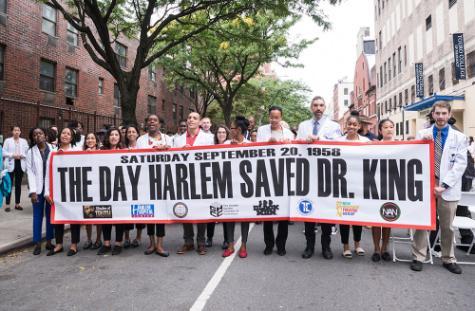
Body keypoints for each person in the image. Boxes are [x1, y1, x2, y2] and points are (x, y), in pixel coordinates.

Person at [411, 101, 468, 274]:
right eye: (438, 113)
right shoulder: (423, 133)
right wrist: (421, 142)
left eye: (444, 113)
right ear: (433, 114)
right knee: (422, 223)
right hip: (426, 185)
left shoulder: (459, 137)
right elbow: (412, 156)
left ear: (449, 115)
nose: (441, 117)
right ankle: (419, 256)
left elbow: (460, 164)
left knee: (447, 226)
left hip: (447, 187)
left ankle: (448, 258)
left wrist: (444, 185)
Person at [296, 96, 341, 260]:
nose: (318, 108)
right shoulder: (303, 126)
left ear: (325, 107)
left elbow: (339, 146)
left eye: (321, 105)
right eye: (315, 105)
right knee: (308, 211)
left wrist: (319, 140)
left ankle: (326, 246)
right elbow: (296, 146)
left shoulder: (334, 126)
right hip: (308, 174)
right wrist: (304, 141)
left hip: (327, 174)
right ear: (311, 107)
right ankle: (309, 246)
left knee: (326, 213)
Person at [174, 112, 214, 255]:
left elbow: (212, 157)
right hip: (184, 180)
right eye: (189, 117)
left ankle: (201, 242)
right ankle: (188, 241)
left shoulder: (209, 138)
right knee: (185, 209)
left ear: (199, 122)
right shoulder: (178, 140)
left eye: (194, 118)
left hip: (201, 179)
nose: (191, 120)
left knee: (201, 210)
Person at [257, 106, 295, 256]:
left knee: (283, 215)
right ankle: (268, 244)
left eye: (276, 117)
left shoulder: (288, 133)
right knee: (268, 212)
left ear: (281, 117)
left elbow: (294, 151)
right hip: (266, 175)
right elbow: (257, 149)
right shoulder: (262, 131)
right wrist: (268, 142)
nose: (274, 120)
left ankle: (281, 244)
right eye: (271, 117)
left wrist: (288, 143)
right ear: (268, 117)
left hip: (284, 176)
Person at [137, 115, 172, 257]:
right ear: (146, 124)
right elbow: (138, 158)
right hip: (146, 181)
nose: (151, 122)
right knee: (149, 213)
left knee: (161, 213)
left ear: (159, 124)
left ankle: (160, 244)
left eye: (155, 120)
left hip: (163, 181)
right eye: (149, 120)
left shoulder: (168, 139)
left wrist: (166, 149)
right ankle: (151, 243)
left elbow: (175, 157)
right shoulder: (141, 140)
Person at [335, 113, 369, 258]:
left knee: (357, 217)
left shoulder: (366, 141)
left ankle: (358, 245)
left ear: (359, 126)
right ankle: (346, 247)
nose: (352, 127)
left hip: (360, 184)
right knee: (344, 216)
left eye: (355, 125)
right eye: (350, 124)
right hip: (342, 184)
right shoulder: (338, 141)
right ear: (345, 125)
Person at [44, 127, 81, 256]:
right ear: (60, 136)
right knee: (58, 217)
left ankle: (74, 245)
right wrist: (47, 192)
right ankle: (59, 244)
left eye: (68, 134)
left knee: (73, 218)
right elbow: (48, 173)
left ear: (71, 137)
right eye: (63, 133)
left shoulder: (77, 151)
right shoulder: (53, 153)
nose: (65, 135)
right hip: (57, 190)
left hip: (73, 190)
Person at [223, 116, 251, 258]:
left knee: (244, 216)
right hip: (229, 186)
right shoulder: (226, 144)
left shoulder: (250, 145)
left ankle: (244, 245)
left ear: (238, 130)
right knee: (230, 215)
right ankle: (230, 245)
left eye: (232, 128)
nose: (230, 130)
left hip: (245, 187)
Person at [96, 128, 125, 256]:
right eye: (111, 135)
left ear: (119, 137)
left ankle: (118, 243)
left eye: (116, 135)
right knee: (105, 214)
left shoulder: (125, 151)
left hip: (120, 188)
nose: (114, 137)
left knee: (119, 216)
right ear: (108, 137)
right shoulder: (101, 151)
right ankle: (106, 243)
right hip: (105, 188)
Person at [26, 127, 54, 255]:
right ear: (32, 138)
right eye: (35, 134)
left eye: (40, 133)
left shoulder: (53, 150)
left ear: (45, 135)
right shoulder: (30, 152)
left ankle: (49, 241)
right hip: (37, 189)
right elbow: (30, 172)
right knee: (37, 216)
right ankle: (37, 243)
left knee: (50, 215)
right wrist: (32, 191)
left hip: (51, 189)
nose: (38, 136)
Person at [371, 119, 395, 262]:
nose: (389, 129)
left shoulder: (403, 145)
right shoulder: (374, 145)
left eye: (391, 127)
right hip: (376, 185)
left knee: (388, 218)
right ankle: (375, 248)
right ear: (380, 131)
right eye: (385, 127)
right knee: (375, 219)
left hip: (392, 186)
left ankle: (385, 248)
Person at [207, 125, 231, 249]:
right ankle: (209, 238)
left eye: (223, 132)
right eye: (219, 132)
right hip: (212, 183)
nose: (221, 134)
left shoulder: (231, 145)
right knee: (212, 212)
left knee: (225, 213)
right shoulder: (210, 146)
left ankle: (227, 239)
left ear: (227, 134)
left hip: (226, 183)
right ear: (216, 134)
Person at [122, 125, 145, 249]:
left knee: (139, 211)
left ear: (137, 134)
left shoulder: (143, 147)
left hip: (140, 183)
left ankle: (139, 237)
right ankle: (126, 237)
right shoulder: (122, 148)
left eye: (133, 131)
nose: (131, 133)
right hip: (126, 184)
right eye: (129, 132)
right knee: (126, 211)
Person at [82, 132, 103, 250]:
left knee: (98, 214)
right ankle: (89, 239)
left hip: (98, 187)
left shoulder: (101, 152)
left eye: (92, 138)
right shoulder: (80, 154)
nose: (90, 140)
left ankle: (98, 239)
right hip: (87, 188)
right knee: (88, 214)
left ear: (96, 141)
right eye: (88, 138)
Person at [2, 126, 28, 212]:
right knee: (9, 184)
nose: (17, 132)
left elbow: (27, 152)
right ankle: (7, 205)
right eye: (15, 130)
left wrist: (21, 155)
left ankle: (17, 204)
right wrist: (12, 155)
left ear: (20, 132)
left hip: (20, 164)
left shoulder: (24, 141)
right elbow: (3, 152)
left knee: (18, 185)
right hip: (10, 164)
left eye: (18, 130)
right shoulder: (7, 141)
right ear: (12, 132)